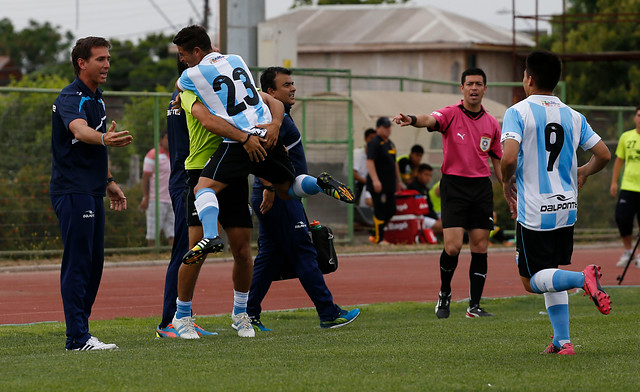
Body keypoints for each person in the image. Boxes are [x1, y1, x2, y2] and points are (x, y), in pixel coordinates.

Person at [173, 25, 354, 264]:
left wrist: (180, 94)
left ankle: (210, 236)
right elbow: (270, 102)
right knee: (287, 189)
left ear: (196, 51)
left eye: (182, 55)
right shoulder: (236, 59)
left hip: (240, 139)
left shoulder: (189, 76)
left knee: (202, 189)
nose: (181, 60)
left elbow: (181, 89)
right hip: (267, 133)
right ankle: (318, 183)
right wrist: (276, 125)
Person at [501, 50, 611, 355]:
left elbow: (508, 157)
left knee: (532, 280)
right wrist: (583, 172)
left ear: (530, 78)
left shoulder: (517, 112)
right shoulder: (574, 115)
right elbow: (603, 155)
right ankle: (563, 340)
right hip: (566, 209)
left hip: (536, 211)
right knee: (550, 272)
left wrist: (504, 181)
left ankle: (582, 278)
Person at [247, 67, 361, 331]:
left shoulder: (281, 118)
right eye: (286, 85)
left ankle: (247, 313)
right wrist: (270, 189)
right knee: (304, 252)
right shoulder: (271, 118)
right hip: (279, 196)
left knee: (270, 256)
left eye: (293, 83)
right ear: (271, 92)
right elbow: (257, 157)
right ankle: (328, 312)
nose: (293, 88)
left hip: (282, 193)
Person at [393, 68, 503, 319]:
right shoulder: (450, 114)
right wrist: (412, 118)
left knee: (480, 246)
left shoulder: (492, 123)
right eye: (469, 84)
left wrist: (507, 188)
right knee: (453, 247)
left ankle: (474, 306)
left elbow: (497, 159)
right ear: (461, 88)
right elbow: (430, 120)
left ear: (485, 89)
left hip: (481, 187)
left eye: (478, 84)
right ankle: (444, 292)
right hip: (454, 185)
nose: (474, 88)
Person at [50, 37, 133, 351]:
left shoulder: (98, 98)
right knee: (79, 262)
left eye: (108, 58)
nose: (107, 64)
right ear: (82, 63)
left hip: (92, 189)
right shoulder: (71, 96)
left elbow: (95, 141)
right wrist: (104, 139)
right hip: (72, 190)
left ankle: (81, 333)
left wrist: (108, 179)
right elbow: (80, 130)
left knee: (94, 263)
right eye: (100, 59)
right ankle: (77, 337)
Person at [155, 59, 215, 338]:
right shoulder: (189, 96)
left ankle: (184, 316)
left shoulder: (179, 96)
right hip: (186, 182)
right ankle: (170, 320)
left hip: (186, 180)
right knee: (184, 252)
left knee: (193, 249)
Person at [610, 106, 640, 268]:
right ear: (635, 117)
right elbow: (619, 160)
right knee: (622, 217)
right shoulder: (626, 137)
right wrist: (614, 182)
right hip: (628, 186)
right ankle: (628, 252)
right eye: (638, 115)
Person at [367, 116, 404, 244]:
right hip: (378, 183)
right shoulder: (374, 143)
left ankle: (375, 232)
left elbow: (395, 163)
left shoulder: (390, 143)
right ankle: (378, 238)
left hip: (390, 184)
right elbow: (370, 162)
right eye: (385, 127)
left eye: (389, 127)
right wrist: (375, 180)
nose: (389, 130)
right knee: (379, 209)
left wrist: (398, 181)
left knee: (391, 209)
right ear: (378, 128)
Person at [139, 130, 174, 246]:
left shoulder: (176, 154)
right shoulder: (152, 154)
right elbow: (145, 178)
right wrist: (146, 197)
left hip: (173, 200)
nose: (170, 141)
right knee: (153, 234)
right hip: (156, 201)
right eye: (168, 138)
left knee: (174, 233)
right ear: (161, 140)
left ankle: (173, 258)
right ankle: (152, 256)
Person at [407, 163, 442, 237]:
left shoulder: (425, 189)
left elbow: (429, 207)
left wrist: (436, 218)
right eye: (426, 175)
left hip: (427, 217)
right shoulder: (412, 187)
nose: (428, 178)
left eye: (430, 176)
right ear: (419, 174)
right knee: (442, 227)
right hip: (417, 217)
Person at [353, 128, 376, 205]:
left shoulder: (377, 155)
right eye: (371, 138)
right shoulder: (357, 153)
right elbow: (354, 174)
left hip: (369, 184)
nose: (373, 141)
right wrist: (368, 182)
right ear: (365, 139)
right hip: (358, 185)